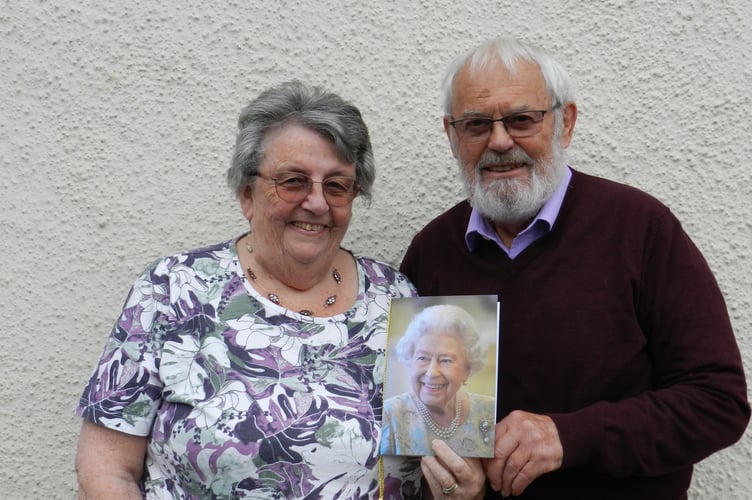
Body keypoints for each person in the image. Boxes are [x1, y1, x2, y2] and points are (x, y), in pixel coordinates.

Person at [400, 37, 750, 499]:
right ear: (452, 135)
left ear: (565, 123)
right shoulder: (432, 251)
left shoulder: (641, 229)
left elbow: (717, 402)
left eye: (522, 119)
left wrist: (570, 437)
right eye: (477, 124)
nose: (500, 141)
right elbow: (415, 420)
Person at [74, 81, 427, 499]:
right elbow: (106, 469)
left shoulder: (398, 299)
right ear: (247, 194)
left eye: (336, 185)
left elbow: (432, 459)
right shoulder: (172, 290)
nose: (316, 202)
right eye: (293, 181)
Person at [381, 304, 495, 457]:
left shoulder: (490, 410)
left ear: (467, 370)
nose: (431, 372)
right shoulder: (389, 414)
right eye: (422, 358)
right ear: (410, 360)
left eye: (446, 360)